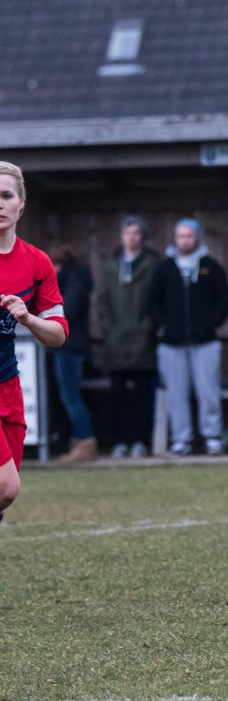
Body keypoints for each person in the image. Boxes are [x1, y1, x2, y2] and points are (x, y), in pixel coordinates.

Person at [0, 161, 69, 522]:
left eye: (6, 195)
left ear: (20, 204)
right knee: (6, 486)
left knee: (4, 493)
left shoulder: (37, 262)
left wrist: (28, 318)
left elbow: (58, 334)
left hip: (8, 385)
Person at [147, 218, 228, 456]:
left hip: (205, 341)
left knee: (208, 391)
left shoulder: (211, 266)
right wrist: (163, 326)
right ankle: (181, 439)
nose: (185, 240)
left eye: (189, 236)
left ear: (197, 238)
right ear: (175, 239)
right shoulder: (164, 268)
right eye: (181, 236)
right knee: (176, 393)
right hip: (172, 343)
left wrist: (210, 323)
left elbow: (225, 300)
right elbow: (152, 302)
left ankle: (212, 437)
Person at [97, 215, 160, 459]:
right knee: (118, 396)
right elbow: (102, 302)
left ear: (142, 237)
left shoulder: (152, 264)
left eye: (135, 233)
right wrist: (109, 331)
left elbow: (156, 300)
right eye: (126, 233)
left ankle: (140, 441)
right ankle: (120, 441)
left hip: (144, 341)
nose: (130, 238)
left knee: (143, 396)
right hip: (116, 342)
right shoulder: (111, 266)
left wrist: (147, 328)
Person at [50, 245, 96, 462]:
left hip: (70, 347)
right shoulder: (70, 282)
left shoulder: (72, 284)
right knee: (68, 396)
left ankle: (85, 441)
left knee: (71, 397)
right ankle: (78, 441)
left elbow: (66, 312)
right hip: (66, 346)